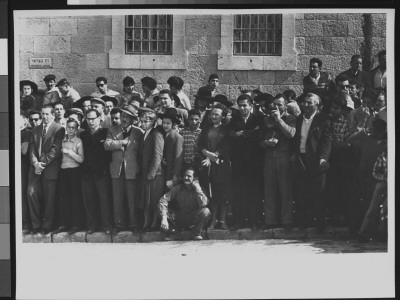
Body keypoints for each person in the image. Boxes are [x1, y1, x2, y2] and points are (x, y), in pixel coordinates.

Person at [293, 93, 333, 230]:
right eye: (304, 102)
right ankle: (305, 221)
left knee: (318, 191)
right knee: (303, 191)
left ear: (317, 105)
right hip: (301, 158)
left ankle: (320, 222)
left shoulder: (324, 119)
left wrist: (323, 158)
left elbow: (327, 140)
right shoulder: (299, 119)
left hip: (316, 159)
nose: (306, 105)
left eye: (310, 102)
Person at [259, 94, 296, 230]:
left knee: (285, 189)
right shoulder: (266, 120)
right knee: (269, 189)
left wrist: (279, 120)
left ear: (285, 106)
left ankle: (287, 220)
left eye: (280, 104)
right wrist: (266, 142)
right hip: (269, 157)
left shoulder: (291, 119)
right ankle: (270, 220)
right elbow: (260, 141)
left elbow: (291, 134)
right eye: (274, 105)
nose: (276, 107)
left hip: (284, 156)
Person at [104, 105, 143, 234]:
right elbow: (106, 145)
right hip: (117, 169)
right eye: (122, 116)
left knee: (132, 199)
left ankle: (134, 223)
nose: (124, 119)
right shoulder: (113, 130)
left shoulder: (138, 132)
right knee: (117, 198)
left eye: (127, 117)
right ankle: (118, 224)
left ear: (133, 119)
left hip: (132, 169)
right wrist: (121, 143)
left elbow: (141, 152)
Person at [27, 105, 65, 234]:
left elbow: (56, 150)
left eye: (47, 114)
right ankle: (36, 225)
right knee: (31, 193)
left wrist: (41, 164)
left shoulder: (59, 129)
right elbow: (31, 149)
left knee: (49, 198)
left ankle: (47, 225)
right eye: (43, 114)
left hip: (49, 168)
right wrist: (35, 163)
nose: (44, 116)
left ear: (53, 115)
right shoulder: (35, 129)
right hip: (36, 168)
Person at [347, 118, 386, 236]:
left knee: (374, 206)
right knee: (363, 205)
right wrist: (363, 130)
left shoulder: (386, 142)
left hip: (378, 178)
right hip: (363, 177)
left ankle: (375, 231)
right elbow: (349, 140)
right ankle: (359, 230)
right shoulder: (366, 137)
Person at [230, 94, 263, 230]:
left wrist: (243, 133)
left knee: (254, 192)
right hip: (238, 162)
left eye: (245, 105)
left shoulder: (258, 119)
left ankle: (254, 221)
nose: (242, 108)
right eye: (240, 105)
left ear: (251, 105)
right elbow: (231, 135)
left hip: (254, 162)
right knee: (239, 192)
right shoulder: (234, 120)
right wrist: (251, 132)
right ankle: (239, 220)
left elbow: (260, 134)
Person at [198, 103, 233, 230]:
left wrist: (214, 156)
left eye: (216, 114)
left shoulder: (227, 129)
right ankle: (213, 220)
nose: (213, 116)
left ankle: (222, 220)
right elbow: (200, 145)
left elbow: (227, 146)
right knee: (211, 194)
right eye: (212, 114)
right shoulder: (206, 128)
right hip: (208, 165)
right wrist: (207, 154)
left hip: (221, 165)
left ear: (223, 116)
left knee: (222, 194)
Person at [80, 109, 113, 234]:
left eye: (93, 118)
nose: (91, 121)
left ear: (99, 118)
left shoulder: (106, 132)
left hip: (102, 172)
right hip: (87, 172)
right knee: (89, 200)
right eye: (88, 119)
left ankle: (107, 226)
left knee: (104, 200)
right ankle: (92, 225)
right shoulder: (83, 135)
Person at [159, 167, 210, 241]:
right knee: (160, 210)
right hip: (179, 218)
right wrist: (164, 218)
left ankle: (195, 234)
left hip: (193, 218)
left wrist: (198, 188)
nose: (186, 178)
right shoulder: (178, 188)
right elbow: (163, 200)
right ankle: (175, 234)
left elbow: (203, 204)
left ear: (195, 178)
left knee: (206, 211)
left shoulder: (200, 189)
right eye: (185, 176)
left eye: (189, 176)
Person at [324, 96, 353, 226]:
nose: (333, 110)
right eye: (332, 107)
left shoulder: (345, 122)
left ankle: (342, 216)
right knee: (330, 188)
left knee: (342, 188)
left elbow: (347, 143)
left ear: (341, 109)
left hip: (341, 158)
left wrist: (335, 145)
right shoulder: (326, 121)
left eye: (336, 108)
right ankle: (332, 215)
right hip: (328, 157)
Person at [54, 118, 85, 234]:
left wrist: (70, 153)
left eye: (73, 127)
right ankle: (63, 224)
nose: (71, 129)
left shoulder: (78, 142)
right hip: (63, 172)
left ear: (77, 129)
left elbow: (81, 159)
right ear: (66, 128)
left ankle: (76, 224)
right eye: (69, 127)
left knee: (75, 198)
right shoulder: (62, 140)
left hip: (74, 171)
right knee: (63, 198)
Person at [138, 108, 165, 231]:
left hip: (155, 173)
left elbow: (157, 155)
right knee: (146, 199)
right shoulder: (145, 134)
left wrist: (152, 172)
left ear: (153, 122)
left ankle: (154, 223)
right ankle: (146, 223)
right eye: (142, 121)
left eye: (145, 121)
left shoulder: (156, 134)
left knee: (154, 199)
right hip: (145, 172)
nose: (142, 124)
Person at [358, 139, 387, 242]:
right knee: (372, 208)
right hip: (384, 182)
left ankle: (382, 233)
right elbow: (375, 173)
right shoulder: (382, 157)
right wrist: (384, 178)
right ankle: (363, 233)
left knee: (386, 209)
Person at [159, 108, 184, 190]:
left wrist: (174, 177)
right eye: (163, 123)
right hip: (164, 171)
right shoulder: (163, 135)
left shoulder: (177, 137)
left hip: (171, 173)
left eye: (168, 123)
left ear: (173, 124)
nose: (165, 125)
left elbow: (178, 159)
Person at [20, 111, 32, 232]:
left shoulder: (26, 133)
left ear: (24, 120)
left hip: (23, 167)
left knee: (22, 193)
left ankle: (25, 222)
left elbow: (24, 151)